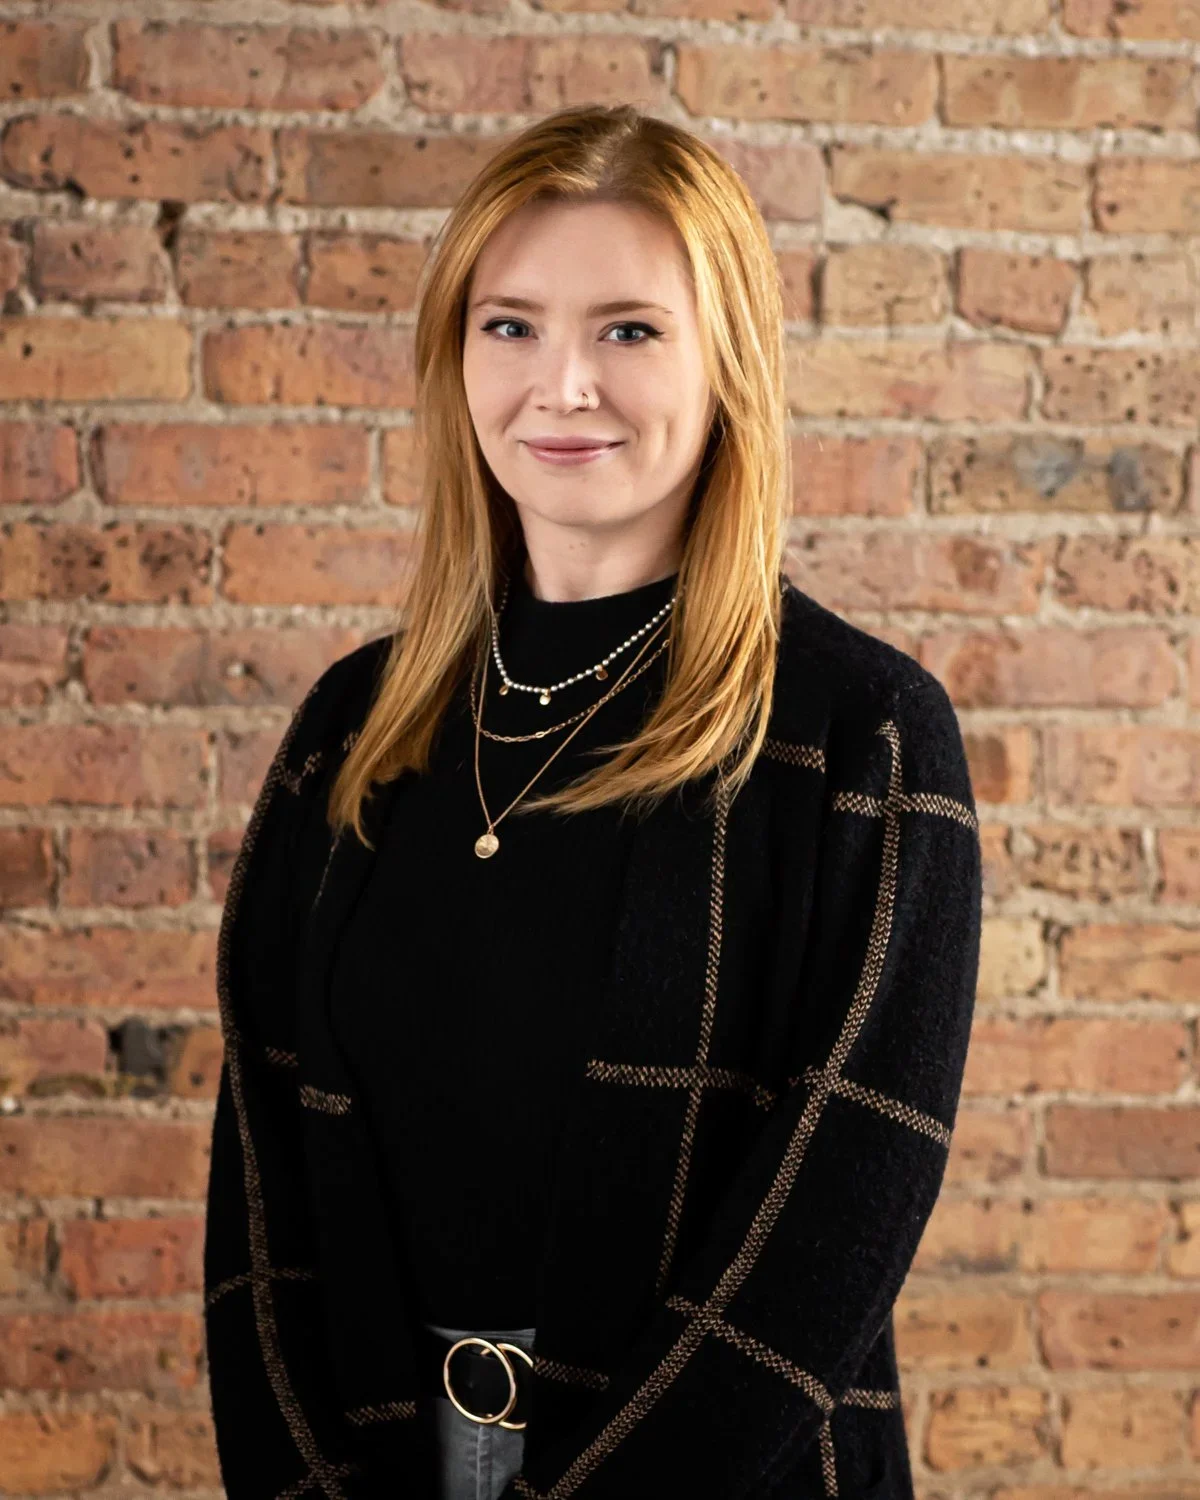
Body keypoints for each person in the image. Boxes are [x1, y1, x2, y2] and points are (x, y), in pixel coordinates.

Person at [203, 103, 983, 1500]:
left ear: (728, 361)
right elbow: (259, 1200)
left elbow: (837, 1223)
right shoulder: (353, 727)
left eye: (629, 330)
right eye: (509, 327)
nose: (563, 385)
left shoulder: (862, 734)